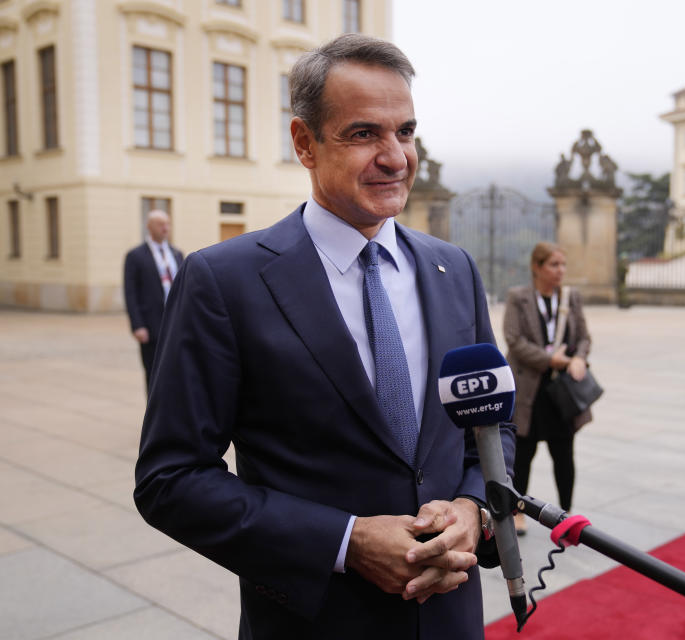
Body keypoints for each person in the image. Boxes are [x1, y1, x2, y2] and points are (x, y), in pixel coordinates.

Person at [134, 34, 514, 639]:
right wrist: (346, 541)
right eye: (364, 134)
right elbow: (170, 480)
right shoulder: (224, 281)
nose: (396, 157)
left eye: (406, 132)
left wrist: (473, 510)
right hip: (315, 622)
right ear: (304, 143)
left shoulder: (454, 269)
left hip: (450, 618)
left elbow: (490, 431)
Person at [503, 242, 592, 534]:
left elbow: (583, 337)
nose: (560, 271)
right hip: (530, 388)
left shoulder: (570, 297)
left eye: (563, 265)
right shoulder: (519, 297)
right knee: (523, 454)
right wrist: (551, 360)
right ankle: (518, 511)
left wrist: (579, 358)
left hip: (561, 392)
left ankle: (567, 512)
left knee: (564, 453)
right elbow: (514, 341)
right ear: (536, 267)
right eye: (554, 265)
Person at [122, 209, 183, 391]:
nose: (165, 228)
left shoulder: (177, 253)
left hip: (176, 323)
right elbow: (130, 292)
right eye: (160, 224)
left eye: (168, 224)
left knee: (177, 370)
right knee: (154, 373)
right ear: (149, 227)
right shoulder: (136, 256)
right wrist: (137, 325)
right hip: (152, 325)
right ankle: (154, 414)